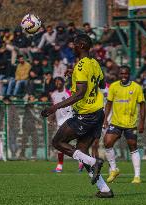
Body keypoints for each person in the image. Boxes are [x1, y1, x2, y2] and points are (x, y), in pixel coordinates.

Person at [41, 34, 113, 198]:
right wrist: (76, 73)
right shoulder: (94, 63)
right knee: (81, 150)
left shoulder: (82, 66)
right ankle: (104, 189)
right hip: (97, 113)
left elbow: (79, 94)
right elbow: (101, 84)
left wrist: (54, 108)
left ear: (81, 45)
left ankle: (95, 162)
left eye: (74, 44)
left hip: (86, 114)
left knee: (58, 142)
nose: (71, 46)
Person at [103, 65, 146, 184]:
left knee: (133, 146)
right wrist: (105, 118)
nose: (123, 76)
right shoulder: (113, 86)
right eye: (121, 74)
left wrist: (142, 122)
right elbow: (109, 103)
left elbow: (142, 105)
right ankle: (114, 169)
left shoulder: (136, 87)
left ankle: (137, 176)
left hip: (130, 124)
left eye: (126, 74)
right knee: (107, 142)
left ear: (129, 74)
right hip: (116, 122)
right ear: (118, 74)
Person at [50, 77, 73, 172]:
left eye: (59, 81)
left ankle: (81, 163)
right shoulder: (54, 94)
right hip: (59, 123)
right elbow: (53, 108)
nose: (57, 83)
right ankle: (60, 166)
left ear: (63, 83)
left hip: (69, 121)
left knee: (65, 143)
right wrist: (51, 119)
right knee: (60, 144)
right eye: (56, 82)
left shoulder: (68, 93)